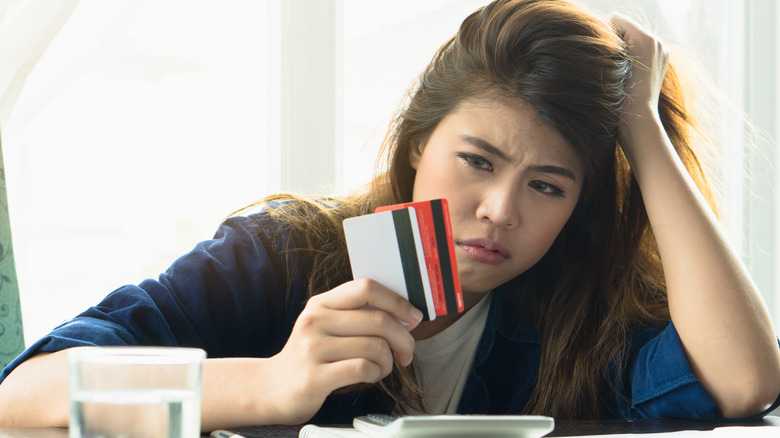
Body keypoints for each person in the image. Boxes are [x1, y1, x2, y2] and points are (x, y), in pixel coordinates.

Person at [1, 0, 779, 431]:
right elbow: (25, 397)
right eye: (477, 162)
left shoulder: (572, 305)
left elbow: (745, 382)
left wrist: (639, 126)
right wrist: (270, 385)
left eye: (548, 186)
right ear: (414, 148)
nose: (499, 211)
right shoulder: (283, 253)